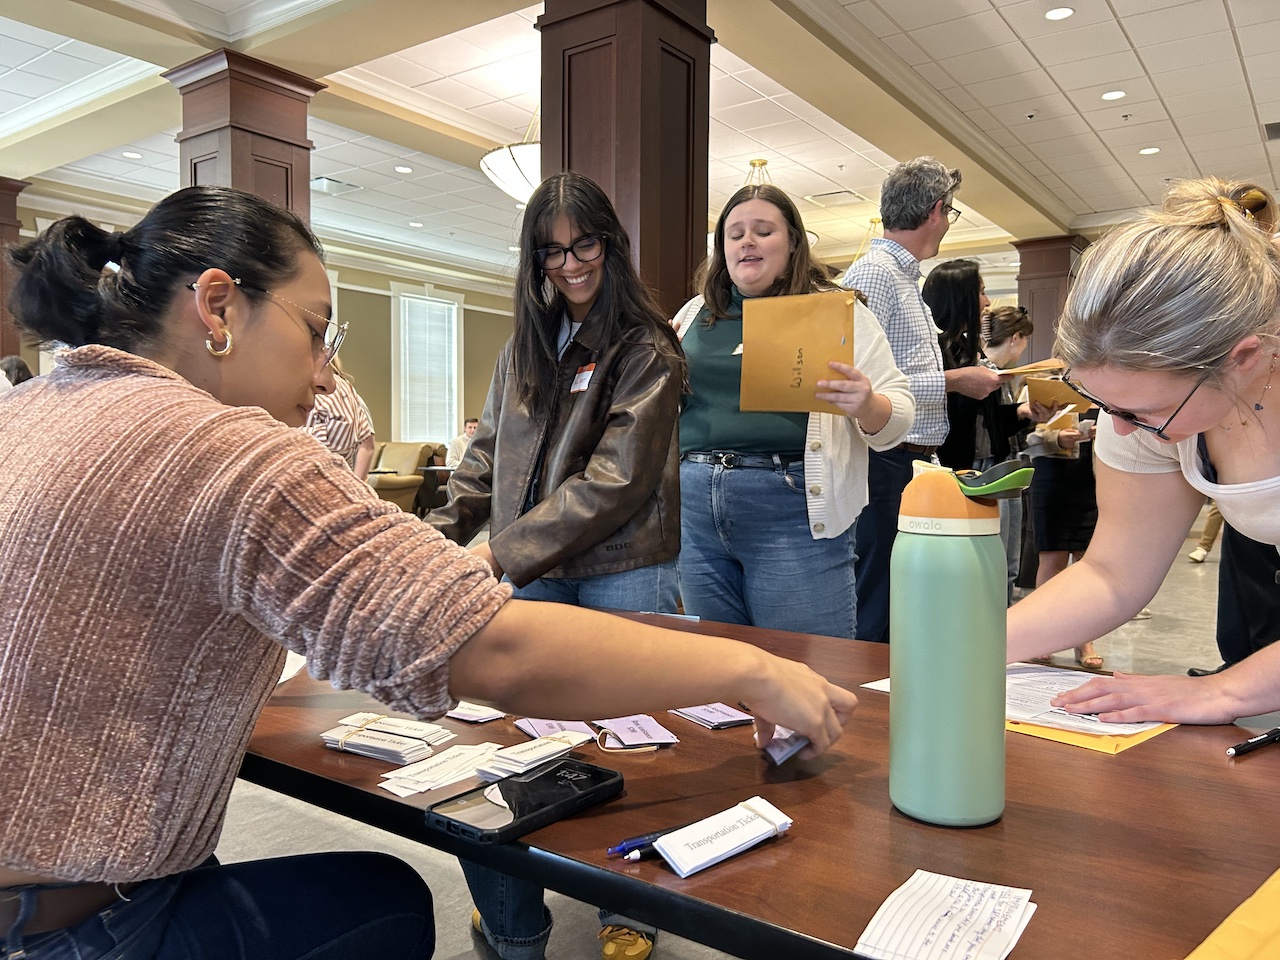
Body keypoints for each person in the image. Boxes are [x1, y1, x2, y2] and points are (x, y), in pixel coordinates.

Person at [0, 185, 857, 960]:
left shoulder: (28, 405)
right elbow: (498, 644)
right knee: (406, 885)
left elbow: (613, 483)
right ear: (218, 307)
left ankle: (619, 915)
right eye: (315, 330)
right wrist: (752, 668)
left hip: (597, 560)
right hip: (69, 923)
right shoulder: (233, 450)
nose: (325, 374)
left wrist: (479, 553)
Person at [426, 171, 688, 960]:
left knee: (630, 744)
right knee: (519, 745)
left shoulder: (647, 347)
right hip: (534, 573)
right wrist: (432, 536)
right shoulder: (525, 345)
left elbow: (614, 483)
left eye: (584, 245)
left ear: (611, 243)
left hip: (621, 571)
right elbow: (481, 458)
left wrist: (498, 553)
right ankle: (517, 908)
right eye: (552, 252)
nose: (571, 264)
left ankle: (629, 908)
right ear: (533, 259)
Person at [1006, 176, 1280, 725]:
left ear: (1242, 358)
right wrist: (974, 648)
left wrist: (1224, 693)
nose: (1122, 432)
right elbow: (1112, 572)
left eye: (1144, 414)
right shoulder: (1144, 406)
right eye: (1106, 405)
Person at [671, 183, 913, 640]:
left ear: (793, 242)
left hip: (792, 508)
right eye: (735, 233)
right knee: (718, 672)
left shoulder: (837, 311)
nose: (747, 242)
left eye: (764, 231)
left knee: (809, 669)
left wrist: (866, 403)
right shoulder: (694, 313)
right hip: (696, 511)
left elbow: (898, 416)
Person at [840, 158, 1002, 643]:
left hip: (904, 458)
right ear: (937, 210)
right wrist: (954, 381)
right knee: (877, 597)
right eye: (950, 213)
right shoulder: (875, 274)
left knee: (896, 593)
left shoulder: (902, 277)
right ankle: (866, 707)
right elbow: (859, 380)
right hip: (883, 456)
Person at [982, 305, 1037, 599]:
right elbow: (987, 433)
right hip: (991, 471)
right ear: (1016, 337)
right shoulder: (984, 374)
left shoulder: (1002, 376)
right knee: (999, 559)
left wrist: (1024, 415)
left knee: (1007, 561)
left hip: (1004, 466)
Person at [301, 357, 376, 480]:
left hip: (324, 477)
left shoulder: (342, 394)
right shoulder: (349, 393)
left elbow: (364, 444)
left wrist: (358, 483)